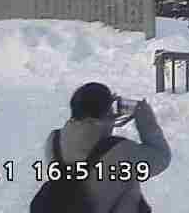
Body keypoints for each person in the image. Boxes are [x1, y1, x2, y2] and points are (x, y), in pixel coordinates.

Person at [43, 82, 171, 213]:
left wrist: (106, 121)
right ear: (106, 113)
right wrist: (145, 118)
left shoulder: (53, 141)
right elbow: (161, 157)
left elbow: (86, 146)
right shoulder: (121, 152)